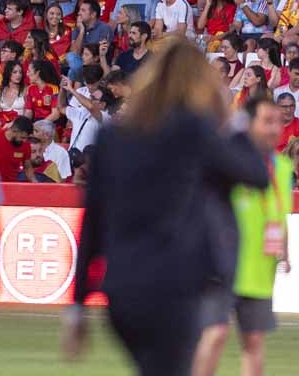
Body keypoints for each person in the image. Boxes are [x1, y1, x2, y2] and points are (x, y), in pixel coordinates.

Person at [63, 39, 270, 376]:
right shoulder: (194, 131)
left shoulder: (113, 138)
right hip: (176, 284)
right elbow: (255, 176)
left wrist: (76, 304)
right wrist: (233, 122)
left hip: (123, 289)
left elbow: (93, 222)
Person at [193, 96, 291, 376]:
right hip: (221, 264)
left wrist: (284, 249)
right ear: (248, 124)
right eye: (267, 121)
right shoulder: (228, 159)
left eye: (278, 122)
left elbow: (279, 212)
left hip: (259, 268)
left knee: (254, 341)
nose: (274, 129)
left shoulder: (282, 168)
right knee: (215, 333)